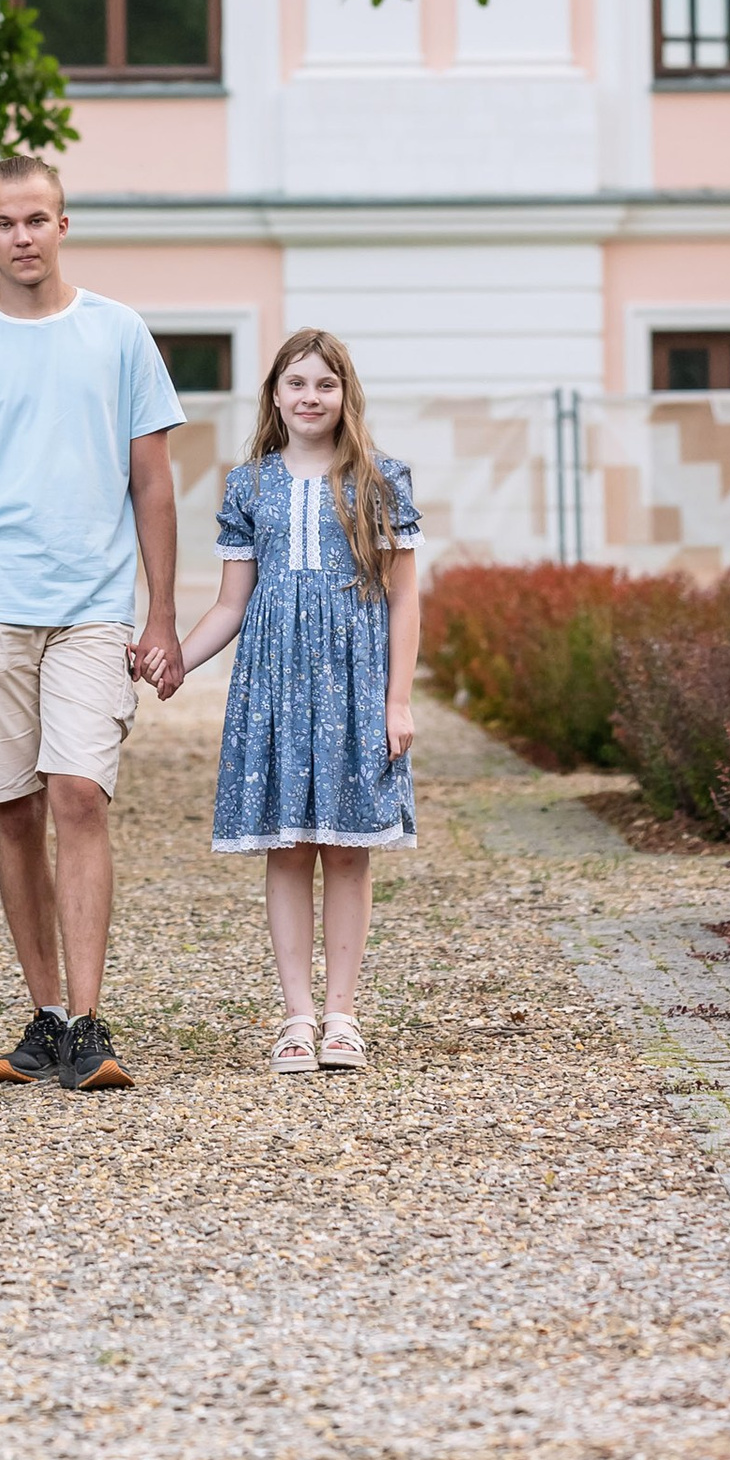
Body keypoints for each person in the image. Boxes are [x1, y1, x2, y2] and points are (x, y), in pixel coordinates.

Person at [0, 151, 187, 1094]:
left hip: (93, 607)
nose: (22, 237)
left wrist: (164, 613)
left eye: (37, 219)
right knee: (16, 810)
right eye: (4, 222)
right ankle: (45, 1016)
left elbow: (153, 482)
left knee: (79, 794)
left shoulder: (119, 333)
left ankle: (91, 1020)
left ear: (63, 225)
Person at [176, 326, 419, 1075]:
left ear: (345, 394)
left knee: (347, 852)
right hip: (273, 686)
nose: (309, 397)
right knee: (286, 849)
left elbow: (406, 600)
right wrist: (173, 662)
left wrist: (398, 701)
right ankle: (296, 1018)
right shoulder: (248, 485)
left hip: (354, 684)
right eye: (296, 384)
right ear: (275, 396)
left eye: (324, 384)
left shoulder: (381, 479)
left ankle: (343, 1015)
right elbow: (229, 605)